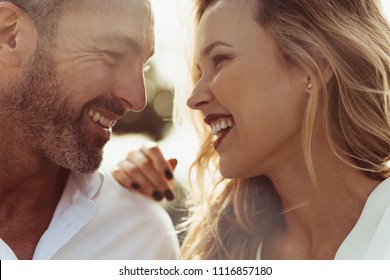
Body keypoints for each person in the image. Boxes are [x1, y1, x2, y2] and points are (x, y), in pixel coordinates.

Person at [113, 0, 390, 259]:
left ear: (315, 65)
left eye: (220, 59)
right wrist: (119, 214)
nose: (194, 98)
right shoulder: (223, 251)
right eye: (200, 72)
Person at [0, 0, 179, 260]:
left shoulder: (143, 236)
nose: (137, 99)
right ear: (10, 35)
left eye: (144, 66)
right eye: (112, 54)